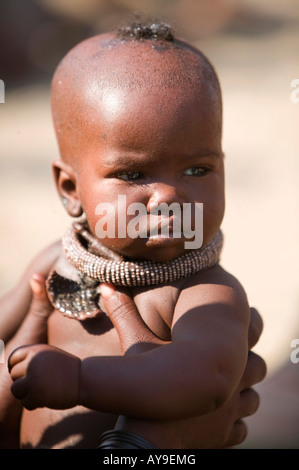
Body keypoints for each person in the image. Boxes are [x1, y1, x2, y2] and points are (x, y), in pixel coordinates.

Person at [1, 19, 266, 449]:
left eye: (198, 169)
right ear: (70, 190)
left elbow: (208, 378)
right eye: (132, 173)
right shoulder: (57, 262)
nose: (167, 196)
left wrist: (80, 379)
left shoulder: (204, 293)